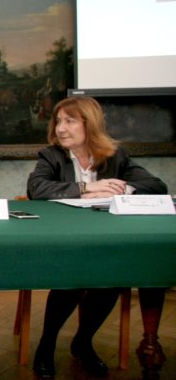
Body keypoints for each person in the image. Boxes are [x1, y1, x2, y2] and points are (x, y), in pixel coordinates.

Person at [27, 95, 168, 379]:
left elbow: (157, 185)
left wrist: (121, 188)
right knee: (70, 280)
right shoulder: (51, 156)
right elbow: (36, 189)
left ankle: (82, 341)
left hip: (105, 240)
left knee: (111, 280)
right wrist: (87, 188)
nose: (60, 128)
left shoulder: (115, 156)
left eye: (69, 121)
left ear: (89, 124)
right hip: (66, 240)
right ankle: (47, 345)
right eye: (58, 121)